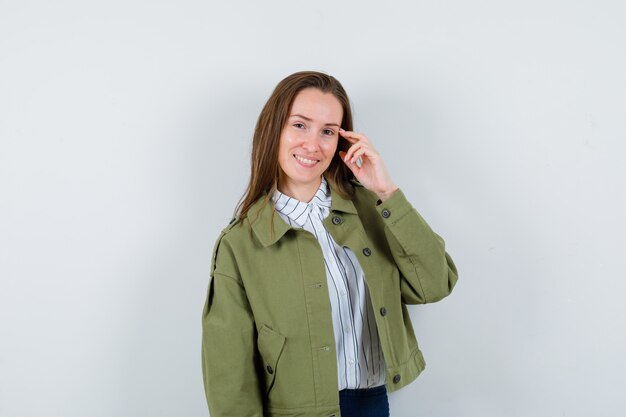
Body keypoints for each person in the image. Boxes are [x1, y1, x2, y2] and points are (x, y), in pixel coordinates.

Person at [201, 70, 458, 417]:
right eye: (299, 125)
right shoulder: (240, 244)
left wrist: (386, 191)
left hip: (372, 404)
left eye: (328, 132)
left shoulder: (371, 210)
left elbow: (435, 284)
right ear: (273, 129)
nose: (312, 145)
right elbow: (228, 374)